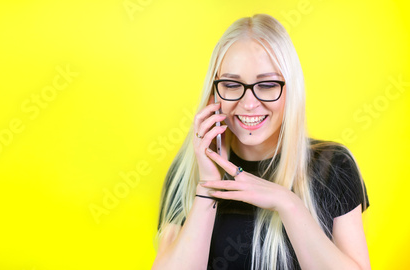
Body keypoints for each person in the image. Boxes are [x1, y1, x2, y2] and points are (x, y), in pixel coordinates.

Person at [151, 14, 370, 270]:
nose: (249, 103)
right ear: (214, 92)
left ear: (291, 90)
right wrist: (208, 186)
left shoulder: (334, 165)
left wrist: (288, 204)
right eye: (232, 84)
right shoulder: (187, 171)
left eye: (266, 84)